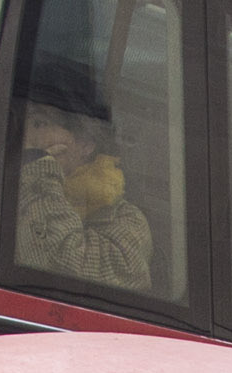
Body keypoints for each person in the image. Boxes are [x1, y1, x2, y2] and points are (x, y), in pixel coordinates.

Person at [11, 102, 154, 292]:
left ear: (85, 145)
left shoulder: (127, 220)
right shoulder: (7, 191)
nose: (26, 136)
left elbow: (58, 269)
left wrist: (38, 168)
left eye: (39, 124)